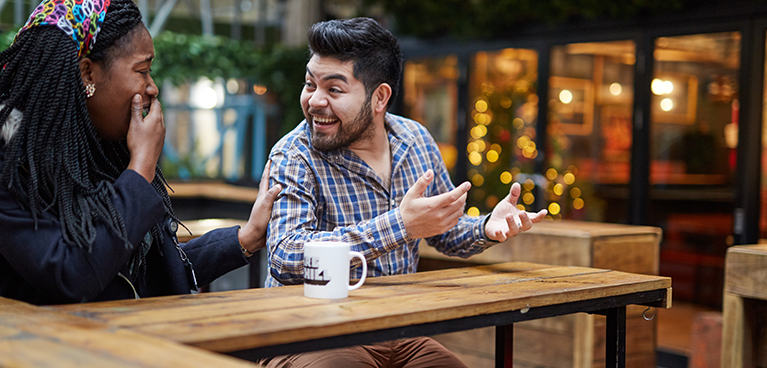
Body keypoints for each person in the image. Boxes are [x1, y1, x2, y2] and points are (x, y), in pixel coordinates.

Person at [264, 17, 547, 367]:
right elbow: (285, 256)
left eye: (333, 90)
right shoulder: (294, 154)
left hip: (397, 330)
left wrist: (486, 226)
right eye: (310, 85)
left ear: (380, 96)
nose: (315, 101)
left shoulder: (414, 140)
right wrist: (400, 225)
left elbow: (444, 232)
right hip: (309, 331)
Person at [0, 0, 280, 305]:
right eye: (142, 71)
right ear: (87, 73)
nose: (152, 87)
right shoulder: (10, 166)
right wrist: (141, 168)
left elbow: (147, 274)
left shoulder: (100, 153)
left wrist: (245, 238)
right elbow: (73, 275)